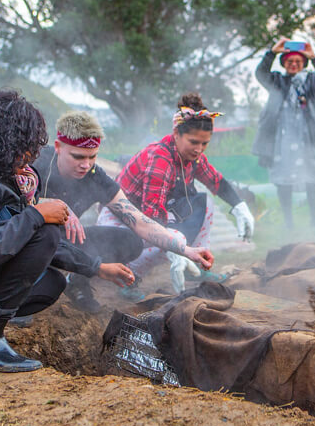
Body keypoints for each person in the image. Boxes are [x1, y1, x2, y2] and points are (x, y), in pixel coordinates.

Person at [0, 91, 132, 373]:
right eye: (25, 146)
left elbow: (25, 237)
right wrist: (35, 214)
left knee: (52, 280)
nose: (31, 155)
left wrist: (96, 267)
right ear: (3, 140)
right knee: (47, 231)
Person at [34, 110, 214, 310]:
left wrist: (186, 250)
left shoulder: (95, 176)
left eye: (92, 157)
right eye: (77, 157)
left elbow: (139, 221)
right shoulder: (37, 163)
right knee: (43, 240)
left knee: (130, 241)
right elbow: (10, 208)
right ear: (59, 147)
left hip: (66, 241)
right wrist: (53, 205)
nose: (85, 165)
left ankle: (78, 281)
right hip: (33, 239)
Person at [107, 92, 254, 294]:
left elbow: (216, 181)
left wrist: (239, 206)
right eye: (194, 142)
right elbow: (152, 217)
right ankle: (127, 277)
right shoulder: (161, 159)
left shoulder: (193, 158)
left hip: (151, 214)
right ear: (177, 134)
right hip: (121, 218)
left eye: (205, 143)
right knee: (168, 244)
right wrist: (177, 250)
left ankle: (196, 267)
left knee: (205, 204)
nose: (199, 149)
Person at [252, 38, 315, 228]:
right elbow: (260, 73)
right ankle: (289, 221)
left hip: (309, 140)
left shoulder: (313, 81)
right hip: (282, 140)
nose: (294, 64)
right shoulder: (276, 81)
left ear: (303, 63)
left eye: (298, 61)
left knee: (313, 179)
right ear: (284, 64)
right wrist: (272, 52)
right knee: (283, 181)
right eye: (289, 61)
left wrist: (314, 57)